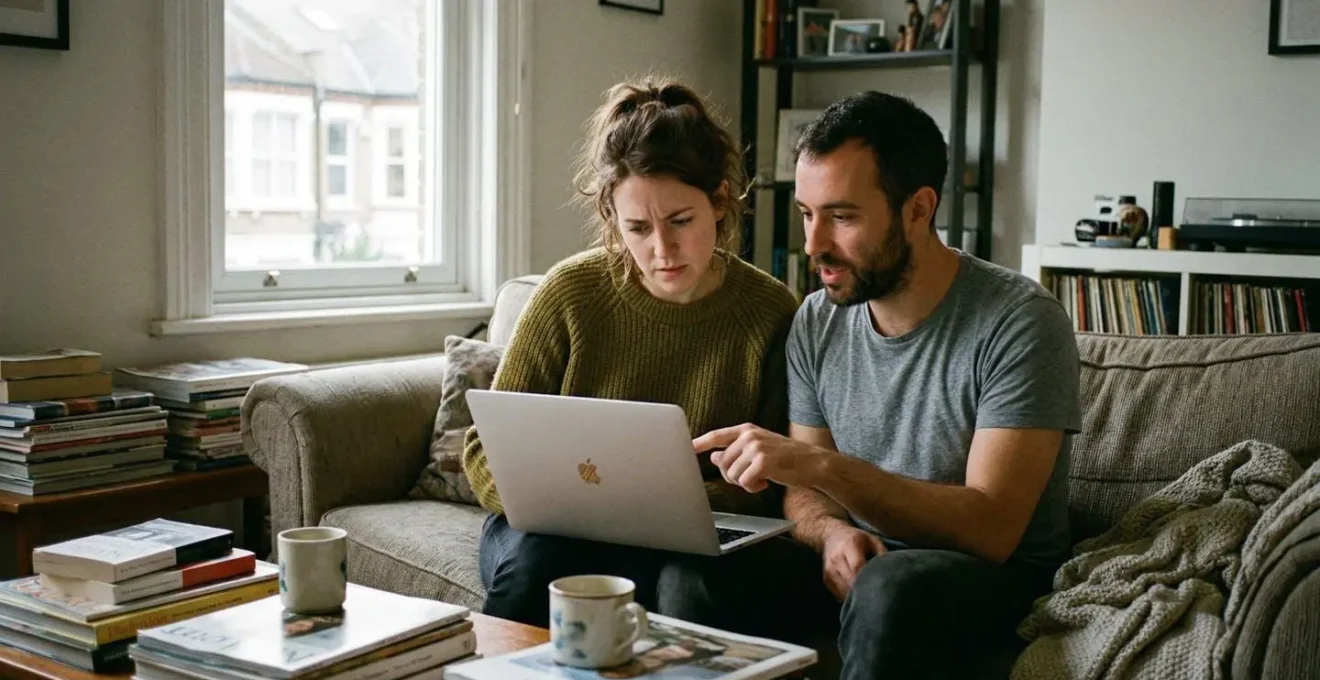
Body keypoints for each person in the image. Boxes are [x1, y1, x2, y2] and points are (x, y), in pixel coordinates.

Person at [694, 91, 1082, 679]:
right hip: (863, 554)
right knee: (696, 577)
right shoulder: (817, 320)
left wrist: (820, 468)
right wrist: (829, 534)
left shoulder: (1021, 321)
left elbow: (992, 528)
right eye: (807, 213)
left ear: (918, 209)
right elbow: (806, 495)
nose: (813, 244)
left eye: (842, 217)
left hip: (987, 576)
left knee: (889, 589)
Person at [462, 76, 801, 630]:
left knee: (687, 586)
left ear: (719, 201)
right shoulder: (570, 292)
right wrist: (561, 502)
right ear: (612, 218)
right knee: (540, 563)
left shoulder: (769, 313)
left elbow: (778, 479)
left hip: (692, 541)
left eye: (680, 222)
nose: (661, 250)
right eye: (638, 227)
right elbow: (483, 447)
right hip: (552, 531)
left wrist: (677, 508)